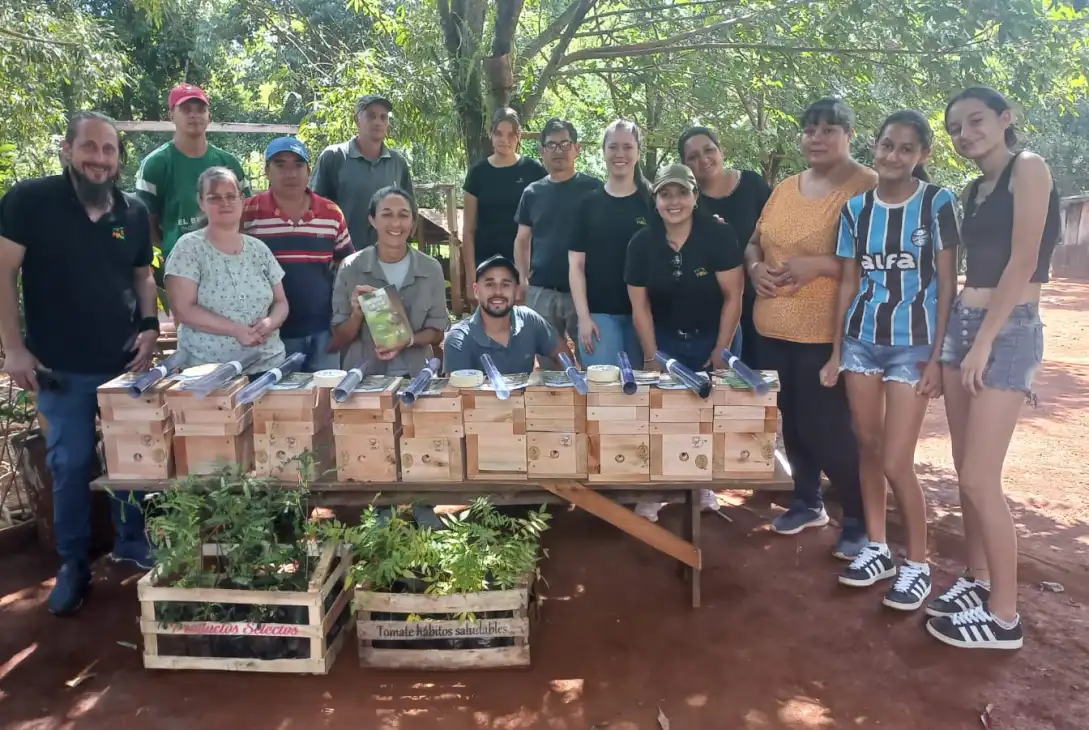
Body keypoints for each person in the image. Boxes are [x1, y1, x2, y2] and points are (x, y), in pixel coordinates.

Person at [0, 112, 159, 614]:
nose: (99, 159)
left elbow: (143, 277)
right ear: (67, 150)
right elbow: (3, 274)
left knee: (130, 459)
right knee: (69, 465)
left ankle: (131, 542)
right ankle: (73, 564)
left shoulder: (131, 213)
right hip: (60, 366)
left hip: (123, 364)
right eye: (89, 148)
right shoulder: (30, 202)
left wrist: (150, 328)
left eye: (109, 150)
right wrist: (14, 348)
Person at [924, 87, 1059, 651]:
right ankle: (978, 582)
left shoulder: (1029, 168)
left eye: (974, 121)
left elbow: (1024, 258)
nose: (964, 134)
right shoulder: (970, 191)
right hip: (963, 328)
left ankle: (1005, 618)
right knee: (964, 468)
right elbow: (961, 272)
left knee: (981, 476)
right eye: (954, 127)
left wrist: (982, 343)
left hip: (1007, 331)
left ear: (1006, 118)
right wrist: (949, 346)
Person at [822, 111, 960, 611]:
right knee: (868, 445)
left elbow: (947, 286)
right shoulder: (856, 210)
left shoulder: (938, 203)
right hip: (862, 340)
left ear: (922, 155)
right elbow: (848, 283)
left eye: (906, 148)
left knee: (898, 459)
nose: (893, 156)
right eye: (886, 145)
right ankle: (877, 548)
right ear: (874, 148)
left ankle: (918, 564)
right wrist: (837, 350)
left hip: (915, 344)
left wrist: (939, 358)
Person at [745, 97, 877, 560]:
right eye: (810, 130)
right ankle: (806, 500)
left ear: (849, 134)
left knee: (829, 427)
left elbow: (878, 261)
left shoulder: (868, 187)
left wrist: (819, 264)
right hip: (772, 327)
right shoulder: (785, 187)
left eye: (829, 129)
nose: (817, 138)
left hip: (827, 332)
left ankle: (859, 518)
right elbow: (755, 243)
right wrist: (755, 267)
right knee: (793, 422)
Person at [624, 163, 745, 520]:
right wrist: (651, 356)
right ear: (656, 200)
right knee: (661, 412)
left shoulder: (718, 236)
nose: (673, 201)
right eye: (665, 194)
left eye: (681, 193)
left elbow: (733, 297)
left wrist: (721, 351)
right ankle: (657, 487)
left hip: (713, 333)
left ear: (695, 197)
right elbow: (639, 306)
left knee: (705, 412)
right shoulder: (641, 244)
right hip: (664, 337)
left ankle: (701, 484)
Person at [241, 138, 353, 372]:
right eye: (280, 165)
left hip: (323, 330)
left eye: (298, 165)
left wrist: (343, 326)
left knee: (327, 399)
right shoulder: (248, 213)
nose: (290, 173)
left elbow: (346, 270)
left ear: (309, 171)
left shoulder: (331, 213)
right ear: (266, 172)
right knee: (280, 403)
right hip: (270, 334)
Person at [165, 167, 288, 374]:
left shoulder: (259, 249)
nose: (225, 203)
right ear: (201, 202)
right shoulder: (188, 248)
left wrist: (271, 321)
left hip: (268, 367)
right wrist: (235, 330)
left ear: (242, 200)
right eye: (214, 198)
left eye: (231, 196)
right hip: (208, 373)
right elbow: (183, 310)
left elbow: (281, 302)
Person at [135, 84, 249, 290]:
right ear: (172, 115)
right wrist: (168, 253)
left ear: (209, 115)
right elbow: (146, 220)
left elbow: (245, 211)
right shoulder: (156, 164)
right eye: (186, 110)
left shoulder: (228, 162)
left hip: (227, 262)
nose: (194, 115)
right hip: (179, 265)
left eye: (200, 110)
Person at [329, 186, 448, 375]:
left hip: (416, 376)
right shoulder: (351, 268)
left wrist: (408, 340)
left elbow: (438, 332)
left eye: (403, 215)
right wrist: (357, 316)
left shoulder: (430, 269)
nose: (395, 223)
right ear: (372, 220)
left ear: (412, 221)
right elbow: (339, 338)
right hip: (364, 378)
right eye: (386, 214)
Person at [679, 126, 772, 366]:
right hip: (712, 310)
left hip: (758, 299)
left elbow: (776, 233)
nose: (703, 159)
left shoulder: (752, 184)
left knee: (755, 378)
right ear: (684, 165)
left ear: (721, 151)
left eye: (709, 150)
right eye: (693, 156)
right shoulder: (685, 202)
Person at [513, 119, 602, 368]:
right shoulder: (532, 193)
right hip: (541, 290)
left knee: (593, 360)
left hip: (585, 292)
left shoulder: (594, 189)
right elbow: (522, 240)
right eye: (551, 145)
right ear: (542, 151)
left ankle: (591, 406)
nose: (558, 151)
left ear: (577, 148)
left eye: (565, 144)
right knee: (551, 364)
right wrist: (522, 280)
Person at [568, 119, 652, 367]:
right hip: (600, 316)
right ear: (603, 151)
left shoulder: (652, 202)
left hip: (646, 315)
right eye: (613, 147)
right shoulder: (588, 204)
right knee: (605, 393)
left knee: (643, 394)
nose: (620, 154)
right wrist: (583, 317)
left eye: (627, 147)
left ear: (638, 152)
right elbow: (576, 266)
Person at [310, 94, 414, 250]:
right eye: (371, 116)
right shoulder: (335, 157)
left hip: (386, 259)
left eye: (383, 117)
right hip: (343, 258)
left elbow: (411, 211)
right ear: (357, 120)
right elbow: (314, 207)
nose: (378, 122)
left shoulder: (397, 162)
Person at [462, 107, 546, 298]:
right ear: (490, 134)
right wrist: (470, 277)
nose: (504, 140)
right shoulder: (478, 173)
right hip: (486, 267)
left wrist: (531, 272)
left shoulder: (534, 171)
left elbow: (543, 225)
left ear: (519, 136)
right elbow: (468, 230)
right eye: (498, 133)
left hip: (524, 271)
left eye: (511, 134)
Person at [444, 255, 565, 376]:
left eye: (506, 284)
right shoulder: (459, 339)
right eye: (489, 284)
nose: (498, 291)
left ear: (516, 291)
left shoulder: (529, 319)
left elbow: (564, 358)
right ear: (476, 290)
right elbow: (458, 392)